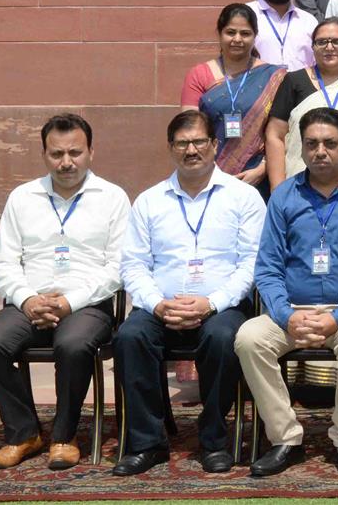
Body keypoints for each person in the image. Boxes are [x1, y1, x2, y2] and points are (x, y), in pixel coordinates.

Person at [236, 108, 338, 478]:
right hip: (293, 311)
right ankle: (285, 438)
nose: (321, 151)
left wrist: (337, 317)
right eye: (312, 144)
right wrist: (286, 314)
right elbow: (268, 267)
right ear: (300, 149)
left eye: (330, 143)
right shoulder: (284, 196)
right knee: (249, 338)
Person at [113, 111, 265, 476]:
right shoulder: (150, 201)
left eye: (199, 142)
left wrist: (211, 303)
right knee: (130, 336)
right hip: (161, 307)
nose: (191, 150)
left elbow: (252, 264)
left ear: (214, 146)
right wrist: (158, 304)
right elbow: (133, 265)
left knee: (224, 336)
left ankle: (214, 439)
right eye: (182, 143)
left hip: (222, 305)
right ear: (170, 149)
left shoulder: (243, 197)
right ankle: (147, 443)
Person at [0, 114, 129, 471]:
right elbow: (2, 262)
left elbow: (119, 267)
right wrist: (28, 298)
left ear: (92, 151)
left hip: (87, 304)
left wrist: (68, 302)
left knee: (73, 344)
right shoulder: (22, 197)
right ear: (44, 154)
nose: (66, 162)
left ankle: (64, 435)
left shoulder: (113, 198)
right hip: (30, 301)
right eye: (56, 153)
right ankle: (24, 432)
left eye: (75, 152)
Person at [181, 3, 286, 193]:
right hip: (209, 176)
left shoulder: (273, 77)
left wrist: (262, 169)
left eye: (245, 33)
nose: (237, 39)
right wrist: (211, 172)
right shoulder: (199, 75)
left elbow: (281, 133)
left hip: (258, 176)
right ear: (219, 34)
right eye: (230, 32)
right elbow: (189, 129)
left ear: (255, 36)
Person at [265, 17, 338, 190]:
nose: (329, 47)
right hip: (299, 182)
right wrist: (278, 188)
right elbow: (275, 135)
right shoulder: (294, 81)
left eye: (337, 41)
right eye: (322, 42)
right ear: (313, 47)